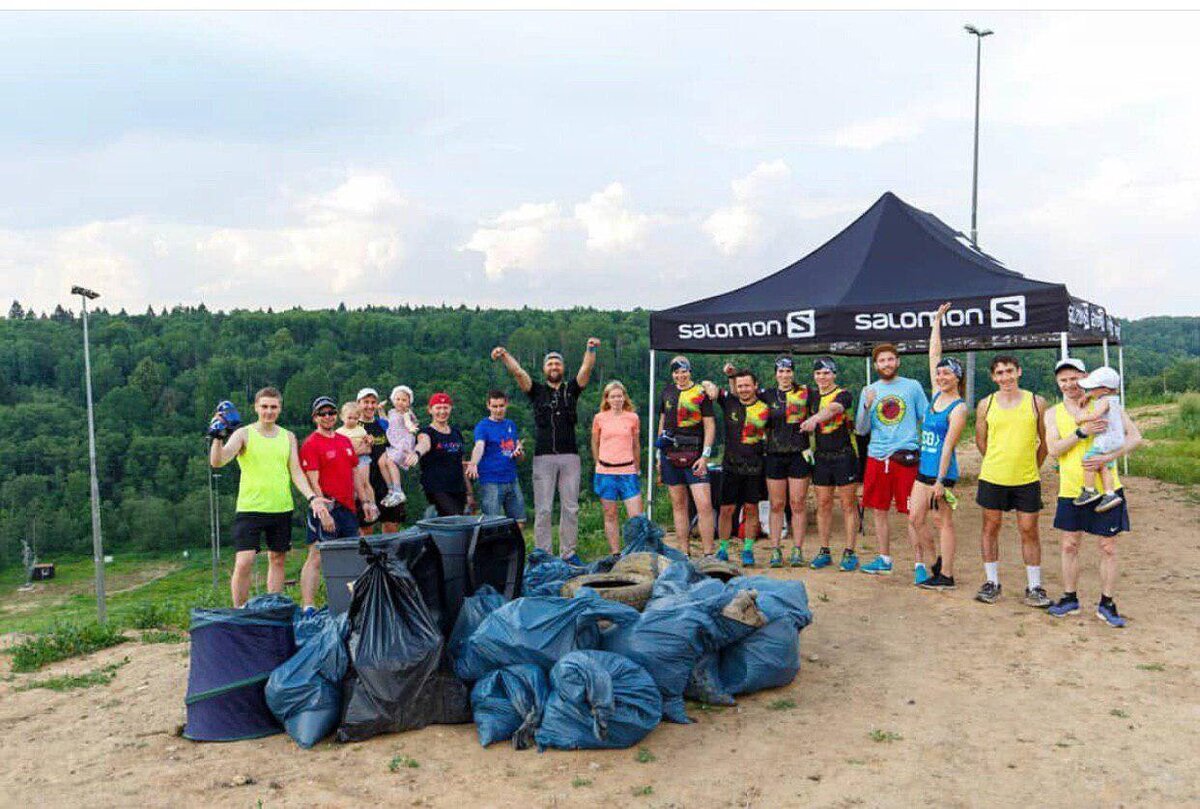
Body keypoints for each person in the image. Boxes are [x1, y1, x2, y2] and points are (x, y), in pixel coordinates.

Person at [208, 387, 329, 607]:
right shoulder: (243, 433)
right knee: (244, 561)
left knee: (278, 559)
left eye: (273, 407)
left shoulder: (288, 437)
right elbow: (218, 461)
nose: (269, 411)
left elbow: (296, 472)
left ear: (280, 409)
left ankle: (273, 609)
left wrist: (312, 498)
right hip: (250, 507)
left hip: (281, 507)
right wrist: (216, 437)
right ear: (256, 407)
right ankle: (240, 611)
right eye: (264, 406)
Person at [1044, 359, 1141, 627]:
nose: (1069, 384)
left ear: (1085, 378)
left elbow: (1135, 437)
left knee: (1108, 547)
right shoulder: (1053, 413)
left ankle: (1107, 604)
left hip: (1107, 489)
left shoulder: (1107, 403)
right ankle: (1069, 598)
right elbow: (1053, 449)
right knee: (1069, 544)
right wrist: (1081, 432)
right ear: (1058, 383)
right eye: (1063, 380)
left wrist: (1108, 456)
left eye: (1073, 378)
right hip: (1071, 489)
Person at [492, 338, 599, 564]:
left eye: (557, 364)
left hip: (570, 456)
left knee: (570, 507)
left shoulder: (572, 389)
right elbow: (519, 373)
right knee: (543, 509)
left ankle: (569, 554)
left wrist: (590, 348)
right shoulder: (536, 391)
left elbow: (586, 368)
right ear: (544, 369)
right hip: (543, 458)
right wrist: (504, 355)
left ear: (562, 368)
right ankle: (544, 555)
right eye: (549, 364)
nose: (553, 367)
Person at [974, 355, 1050, 607]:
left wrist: (1031, 466)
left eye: (1009, 371)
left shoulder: (1036, 402)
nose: (1005, 377)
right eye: (999, 373)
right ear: (993, 377)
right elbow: (981, 441)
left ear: (1019, 371)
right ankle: (992, 582)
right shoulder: (986, 404)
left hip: (1026, 478)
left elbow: (1044, 442)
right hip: (993, 477)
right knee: (990, 528)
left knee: (1029, 530)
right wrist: (998, 461)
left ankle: (1034, 586)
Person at [855, 343, 931, 580]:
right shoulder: (869, 390)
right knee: (879, 511)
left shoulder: (912, 386)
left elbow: (926, 418)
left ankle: (919, 564)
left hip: (905, 457)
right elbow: (860, 428)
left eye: (890, 359)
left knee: (913, 513)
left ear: (897, 361)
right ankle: (884, 558)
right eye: (881, 361)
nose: (886, 364)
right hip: (877, 457)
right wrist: (866, 406)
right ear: (876, 365)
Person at [911, 303, 968, 592]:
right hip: (924, 470)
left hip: (942, 473)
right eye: (940, 374)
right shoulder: (935, 396)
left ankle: (946, 575)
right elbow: (934, 354)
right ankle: (935, 562)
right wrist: (936, 322)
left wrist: (940, 482)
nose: (942, 377)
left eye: (948, 374)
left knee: (943, 521)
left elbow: (948, 446)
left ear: (958, 378)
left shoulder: (958, 408)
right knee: (915, 517)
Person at [298, 396, 361, 611]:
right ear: (315, 417)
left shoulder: (344, 441)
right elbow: (312, 480)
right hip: (326, 507)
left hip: (348, 508)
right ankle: (308, 605)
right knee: (317, 556)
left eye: (331, 413)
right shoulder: (311, 444)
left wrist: (367, 501)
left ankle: (349, 603)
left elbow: (355, 474)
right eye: (322, 413)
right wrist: (323, 510)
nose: (327, 417)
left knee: (352, 555)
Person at [702, 368, 769, 566]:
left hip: (755, 466)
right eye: (740, 386)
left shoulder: (765, 406)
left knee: (751, 509)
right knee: (726, 510)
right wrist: (711, 389)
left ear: (755, 386)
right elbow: (707, 383)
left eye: (747, 385)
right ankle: (723, 549)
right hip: (730, 466)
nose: (744, 389)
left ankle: (747, 550)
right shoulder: (729, 401)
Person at [803, 358, 860, 572]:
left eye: (826, 373)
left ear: (834, 375)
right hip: (822, 457)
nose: (822, 378)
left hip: (844, 456)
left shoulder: (843, 394)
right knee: (823, 504)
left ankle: (850, 552)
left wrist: (815, 419)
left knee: (848, 505)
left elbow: (834, 409)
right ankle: (824, 550)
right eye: (818, 374)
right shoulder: (812, 395)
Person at [656, 356, 716, 557]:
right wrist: (658, 455)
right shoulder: (667, 392)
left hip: (696, 455)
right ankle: (684, 552)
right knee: (679, 504)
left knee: (704, 505)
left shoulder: (700, 393)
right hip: (670, 455)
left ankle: (709, 553)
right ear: (672, 374)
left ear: (690, 371)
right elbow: (662, 423)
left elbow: (709, 425)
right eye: (676, 372)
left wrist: (705, 456)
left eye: (684, 371)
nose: (680, 376)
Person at [758, 356, 814, 568]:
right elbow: (742, 397)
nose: (784, 375)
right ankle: (775, 550)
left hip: (799, 454)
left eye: (788, 371)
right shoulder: (767, 394)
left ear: (793, 373)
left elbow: (824, 404)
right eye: (780, 371)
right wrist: (730, 377)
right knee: (777, 504)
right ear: (775, 374)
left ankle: (797, 550)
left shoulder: (805, 393)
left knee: (798, 504)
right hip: (774, 454)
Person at [590, 381, 642, 555]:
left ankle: (636, 552)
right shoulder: (599, 418)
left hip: (628, 471)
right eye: (613, 396)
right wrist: (598, 462)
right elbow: (594, 442)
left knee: (635, 517)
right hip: (606, 472)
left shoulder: (633, 417)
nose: (617, 399)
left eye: (619, 396)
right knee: (610, 514)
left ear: (624, 397)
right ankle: (615, 553)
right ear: (607, 398)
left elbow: (636, 444)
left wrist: (637, 466)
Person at [466, 390, 527, 523]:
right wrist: (473, 463)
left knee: (519, 521)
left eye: (501, 406)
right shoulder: (483, 426)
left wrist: (519, 452)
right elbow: (479, 446)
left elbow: (520, 456)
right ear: (488, 406)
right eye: (495, 406)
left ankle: (514, 545)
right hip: (491, 481)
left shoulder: (511, 425)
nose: (498, 410)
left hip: (512, 479)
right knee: (492, 524)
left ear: (506, 405)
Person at [409, 392, 474, 516]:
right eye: (438, 408)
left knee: (460, 525)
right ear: (430, 410)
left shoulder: (456, 433)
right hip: (436, 490)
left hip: (458, 488)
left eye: (445, 407)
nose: (442, 411)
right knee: (453, 520)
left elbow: (461, 464)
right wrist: (417, 453)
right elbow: (424, 444)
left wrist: (469, 493)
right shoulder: (426, 432)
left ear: (450, 409)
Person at [1072, 367, 1127, 513]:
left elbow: (1096, 415)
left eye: (1092, 388)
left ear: (1105, 390)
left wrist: (1080, 418)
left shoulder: (1103, 401)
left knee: (1088, 461)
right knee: (1103, 466)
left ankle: (1090, 490)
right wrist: (1089, 395)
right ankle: (1110, 494)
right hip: (1116, 440)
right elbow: (1099, 394)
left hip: (1105, 439)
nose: (1089, 390)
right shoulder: (1114, 399)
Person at [356, 388, 405, 532]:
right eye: (366, 402)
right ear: (358, 403)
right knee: (366, 530)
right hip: (364, 484)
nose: (370, 406)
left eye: (373, 402)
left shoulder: (383, 425)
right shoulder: (353, 426)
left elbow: (396, 445)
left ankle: (389, 555)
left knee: (392, 526)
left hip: (386, 484)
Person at [336, 401, 379, 523]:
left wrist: (370, 441)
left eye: (355, 418)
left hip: (362, 459)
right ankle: (357, 508)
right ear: (342, 417)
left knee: (365, 482)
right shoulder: (339, 432)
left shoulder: (361, 430)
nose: (352, 421)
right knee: (354, 485)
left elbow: (368, 444)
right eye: (349, 418)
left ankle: (372, 506)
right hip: (347, 461)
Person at [385, 385, 420, 503]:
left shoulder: (407, 413)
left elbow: (408, 422)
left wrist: (411, 427)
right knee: (386, 461)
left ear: (409, 402)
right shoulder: (391, 412)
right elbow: (385, 422)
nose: (400, 402)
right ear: (393, 400)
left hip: (403, 443)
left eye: (404, 400)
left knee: (390, 461)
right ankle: (392, 489)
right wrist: (380, 410)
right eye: (398, 399)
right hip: (394, 442)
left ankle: (397, 490)